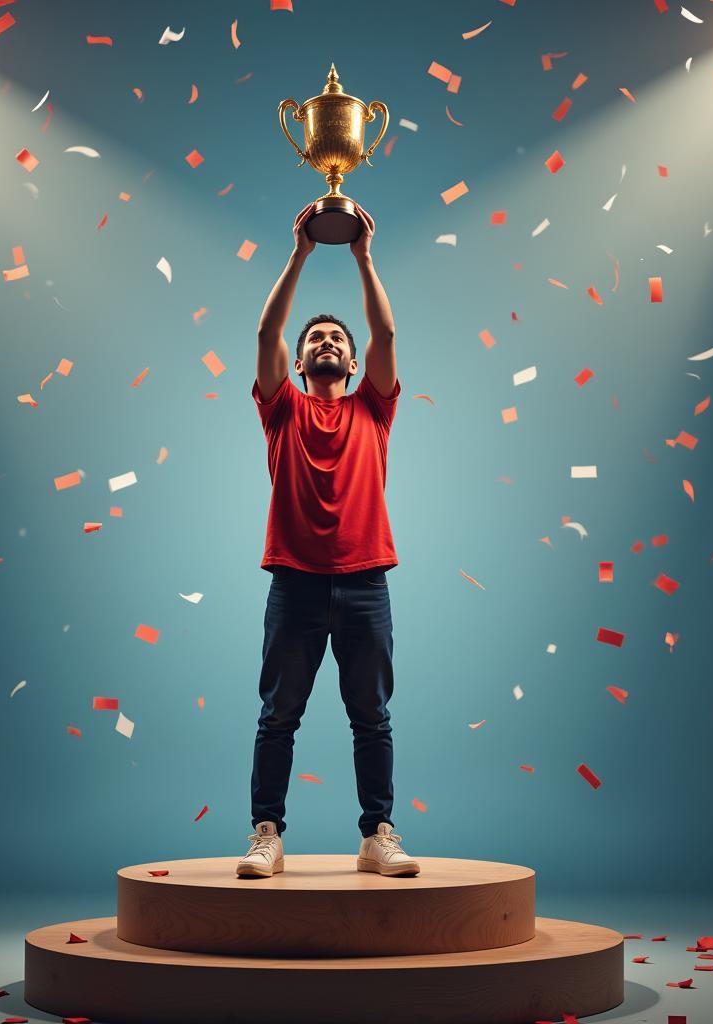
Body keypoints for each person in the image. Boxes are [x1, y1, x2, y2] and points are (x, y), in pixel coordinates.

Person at [236, 201, 420, 879]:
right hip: (296, 582)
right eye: (316, 338)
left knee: (370, 716)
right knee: (278, 715)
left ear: (352, 362)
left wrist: (364, 257)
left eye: (336, 340)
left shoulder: (375, 406)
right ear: (302, 358)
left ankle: (378, 835)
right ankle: (266, 836)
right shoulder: (280, 406)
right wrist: (302, 252)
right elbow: (265, 331)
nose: (326, 343)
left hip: (366, 581)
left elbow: (388, 329)